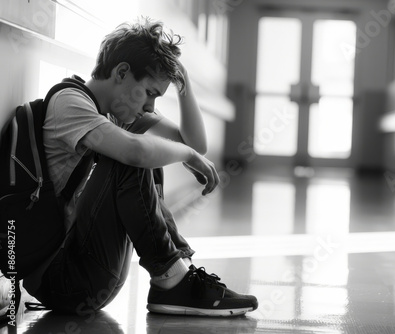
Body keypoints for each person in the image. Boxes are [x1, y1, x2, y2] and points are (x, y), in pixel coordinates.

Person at [22, 17, 258, 317]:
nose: (149, 106)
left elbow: (195, 143)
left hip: (92, 271)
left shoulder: (115, 114)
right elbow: (138, 153)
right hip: (64, 280)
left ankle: (174, 275)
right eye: (150, 93)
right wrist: (186, 155)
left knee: (149, 149)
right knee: (135, 153)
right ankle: (172, 280)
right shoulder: (70, 102)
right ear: (122, 72)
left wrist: (181, 77)